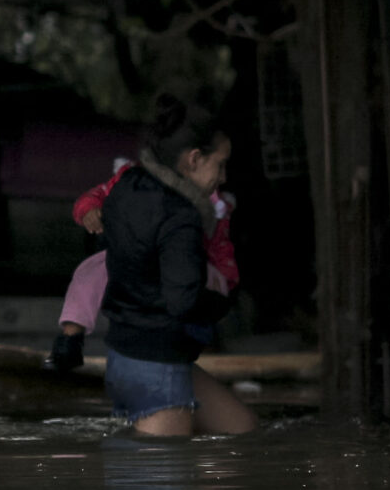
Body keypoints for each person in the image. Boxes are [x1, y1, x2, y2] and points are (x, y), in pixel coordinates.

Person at [93, 97, 259, 437]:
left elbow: (105, 251)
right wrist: (223, 303)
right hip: (157, 366)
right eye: (220, 164)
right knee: (160, 471)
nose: (223, 177)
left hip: (124, 356)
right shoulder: (180, 217)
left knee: (241, 433)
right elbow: (182, 301)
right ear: (194, 159)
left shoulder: (126, 185)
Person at [50, 162, 238, 370]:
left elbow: (220, 248)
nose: (222, 177)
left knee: (206, 287)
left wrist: (225, 279)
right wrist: (90, 210)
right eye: (218, 169)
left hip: (182, 266)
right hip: (135, 257)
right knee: (89, 273)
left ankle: (200, 346)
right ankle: (70, 340)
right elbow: (95, 197)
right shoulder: (134, 179)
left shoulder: (212, 203)